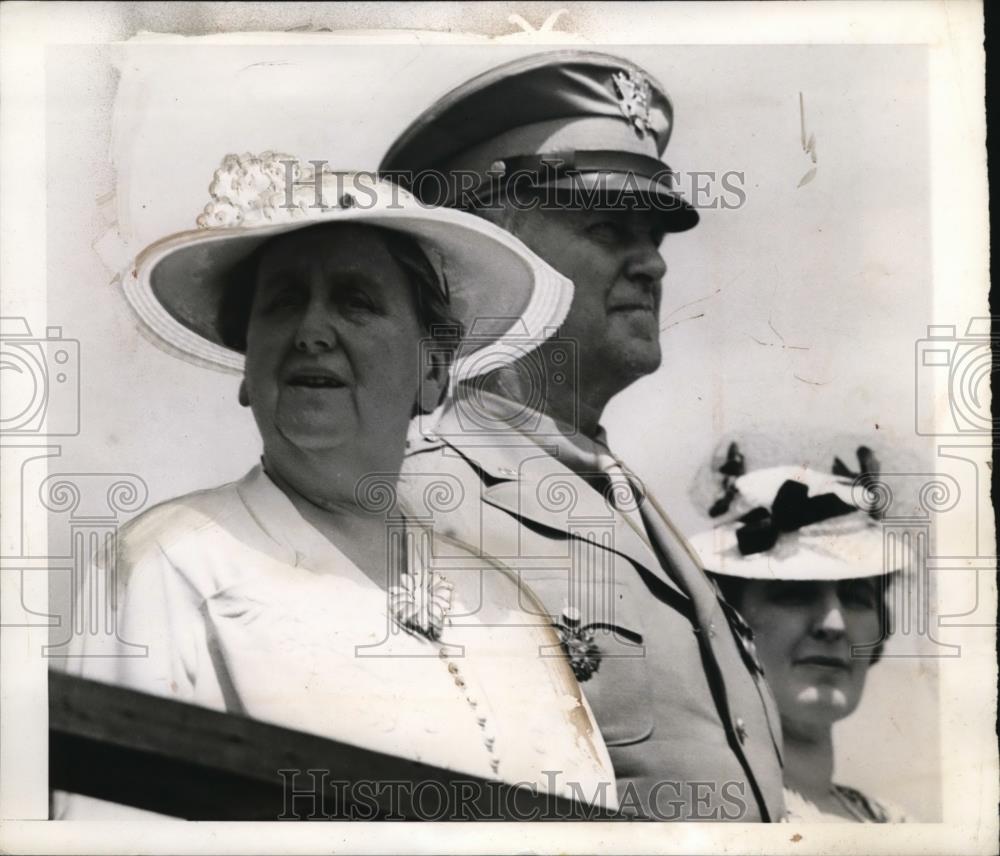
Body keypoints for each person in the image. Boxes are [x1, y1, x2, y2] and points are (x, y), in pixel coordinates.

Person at [57, 153, 616, 817]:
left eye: (356, 302)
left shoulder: (503, 603)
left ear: (432, 370)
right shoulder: (174, 561)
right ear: (247, 366)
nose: (312, 332)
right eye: (284, 302)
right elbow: (116, 824)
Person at [380, 52, 784, 821]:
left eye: (656, 235)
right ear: (483, 253)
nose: (653, 263)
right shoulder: (413, 500)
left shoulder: (632, 504)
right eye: (607, 227)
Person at [689, 446, 912, 822]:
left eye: (857, 597)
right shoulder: (711, 816)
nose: (833, 624)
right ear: (728, 620)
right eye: (794, 594)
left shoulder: (892, 823)